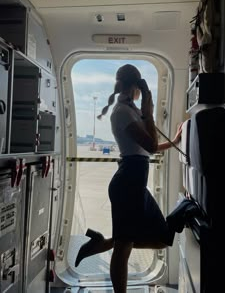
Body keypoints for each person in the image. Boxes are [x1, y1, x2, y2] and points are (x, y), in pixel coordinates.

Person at [75, 64, 182, 293]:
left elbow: (147, 147)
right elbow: (151, 146)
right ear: (136, 86)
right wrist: (148, 110)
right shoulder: (122, 112)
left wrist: (175, 140)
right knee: (124, 246)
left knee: (162, 238)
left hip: (136, 182)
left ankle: (101, 243)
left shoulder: (131, 109)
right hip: (128, 182)